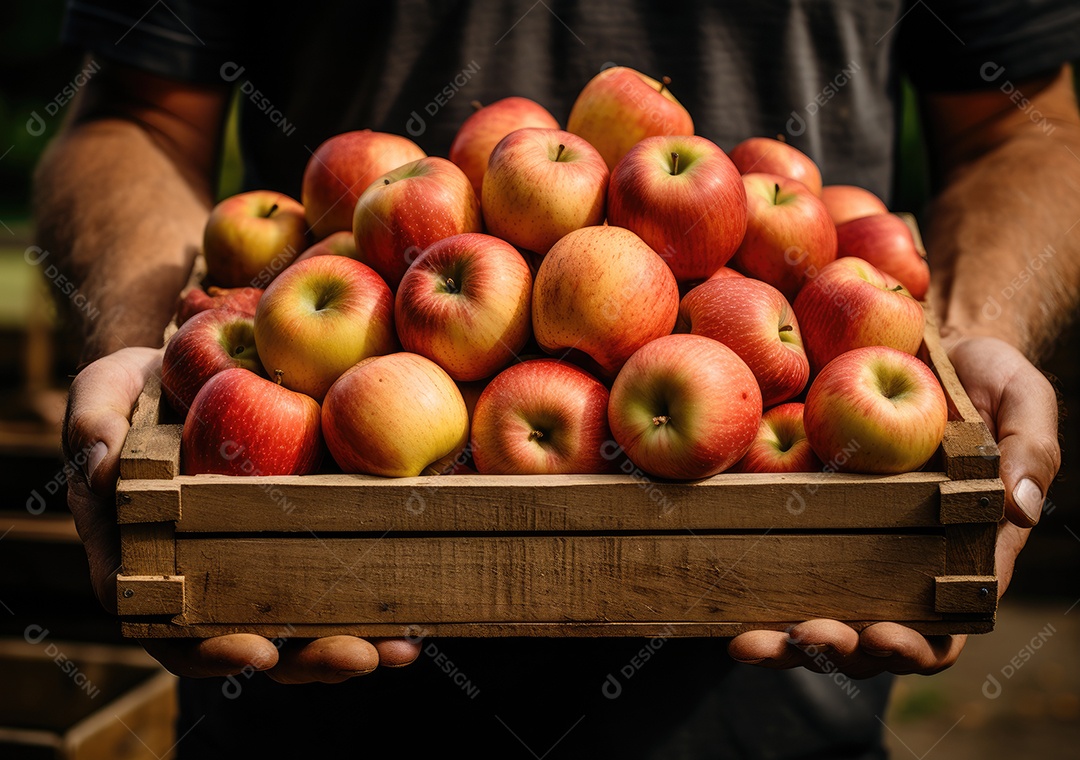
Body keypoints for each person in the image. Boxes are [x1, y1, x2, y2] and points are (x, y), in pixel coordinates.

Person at [36, 1, 1078, 757]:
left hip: (779, 692)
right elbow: (135, 107)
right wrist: (146, 364)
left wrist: (970, 340)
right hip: (299, 670)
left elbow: (1017, 125)